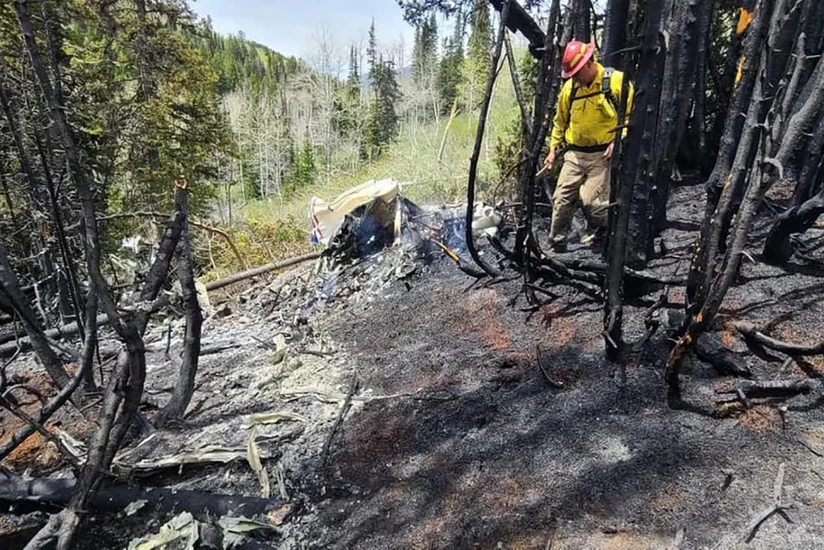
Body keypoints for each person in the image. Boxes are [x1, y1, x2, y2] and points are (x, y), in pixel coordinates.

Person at [543, 40, 633, 252]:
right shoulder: (570, 88)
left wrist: (618, 139)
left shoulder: (617, 81)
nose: (574, 77)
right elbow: (560, 121)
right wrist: (553, 148)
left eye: (576, 72)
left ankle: (605, 236)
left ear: (589, 63)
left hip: (602, 155)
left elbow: (631, 117)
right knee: (561, 199)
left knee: (593, 203)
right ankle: (556, 244)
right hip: (574, 154)